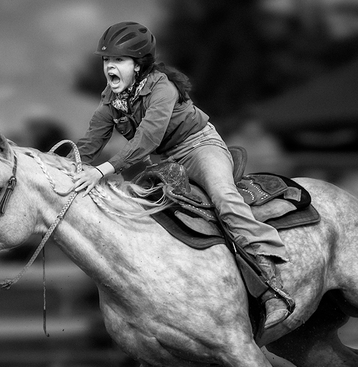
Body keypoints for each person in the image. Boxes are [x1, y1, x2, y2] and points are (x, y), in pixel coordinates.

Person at [71, 21, 294, 341]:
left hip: (199, 147)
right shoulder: (112, 98)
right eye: (106, 60)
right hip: (162, 161)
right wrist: (61, 168)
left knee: (224, 199)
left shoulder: (163, 88)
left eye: (118, 60)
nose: (109, 67)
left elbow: (148, 137)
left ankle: (273, 288)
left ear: (138, 64)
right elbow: (91, 141)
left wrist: (102, 170)